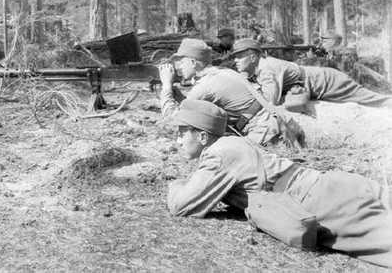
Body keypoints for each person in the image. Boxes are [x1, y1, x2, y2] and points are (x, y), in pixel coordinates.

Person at [166, 98, 392, 268]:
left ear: (202, 137)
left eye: (181, 133)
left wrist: (175, 184)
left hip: (326, 204)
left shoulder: (218, 154)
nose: (177, 141)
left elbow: (181, 205)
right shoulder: (232, 142)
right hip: (338, 184)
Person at [158, 38, 303, 146]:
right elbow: (196, 106)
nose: (178, 67)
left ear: (193, 63)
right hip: (277, 124)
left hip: (266, 133)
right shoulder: (222, 72)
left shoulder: (205, 85)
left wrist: (166, 86)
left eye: (181, 62)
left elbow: (172, 119)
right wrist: (175, 93)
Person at [232, 38, 392, 110]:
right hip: (318, 80)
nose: (236, 61)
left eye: (239, 57)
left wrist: (245, 82)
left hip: (326, 82)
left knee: (373, 100)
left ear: (253, 57)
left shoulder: (266, 68)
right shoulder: (261, 66)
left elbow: (269, 101)